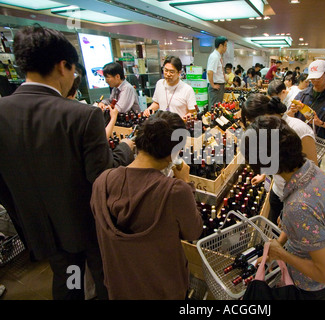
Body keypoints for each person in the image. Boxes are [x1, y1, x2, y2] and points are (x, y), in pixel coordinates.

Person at [0, 25, 135, 300]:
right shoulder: (81, 116)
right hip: (85, 225)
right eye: (73, 71)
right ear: (63, 66)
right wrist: (124, 148)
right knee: (102, 278)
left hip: (38, 227)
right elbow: (103, 177)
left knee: (67, 278)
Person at [90, 111, 203, 299]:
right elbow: (194, 231)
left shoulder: (102, 182)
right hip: (162, 287)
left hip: (119, 284)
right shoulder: (175, 191)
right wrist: (186, 183)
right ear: (173, 153)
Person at [242, 115, 325, 300]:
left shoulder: (298, 207)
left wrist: (282, 254)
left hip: (310, 288)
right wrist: (280, 243)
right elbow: (310, 226)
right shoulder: (310, 170)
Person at [243, 88, 318, 225]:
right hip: (278, 190)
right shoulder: (270, 130)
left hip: (297, 198)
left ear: (266, 114)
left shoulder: (299, 129)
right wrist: (264, 174)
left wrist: (291, 209)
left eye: (254, 121)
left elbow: (312, 172)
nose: (254, 127)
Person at [288, 60, 325, 159]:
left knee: (313, 168)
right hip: (298, 138)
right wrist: (292, 111)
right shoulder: (302, 94)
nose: (314, 82)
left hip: (317, 141)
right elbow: (289, 117)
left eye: (317, 78)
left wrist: (320, 123)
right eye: (312, 79)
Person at [207, 36, 228, 106]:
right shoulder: (214, 56)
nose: (226, 48)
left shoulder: (218, 56)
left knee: (218, 107)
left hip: (219, 86)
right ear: (220, 45)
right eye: (225, 46)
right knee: (215, 108)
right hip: (216, 87)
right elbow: (209, 72)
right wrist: (213, 85)